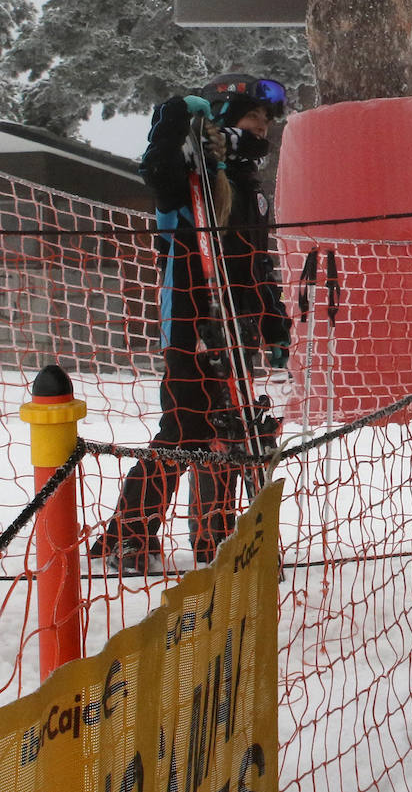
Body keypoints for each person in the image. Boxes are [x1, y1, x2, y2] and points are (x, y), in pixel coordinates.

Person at [91, 73, 292, 575]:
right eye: (252, 118)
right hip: (190, 322)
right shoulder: (189, 177)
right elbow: (154, 166)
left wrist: (274, 325)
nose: (262, 130)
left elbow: (257, 264)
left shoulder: (251, 190)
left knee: (235, 428)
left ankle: (216, 535)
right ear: (224, 120)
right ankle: (129, 535)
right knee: (185, 430)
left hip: (237, 326)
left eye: (266, 122)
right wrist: (179, 110)